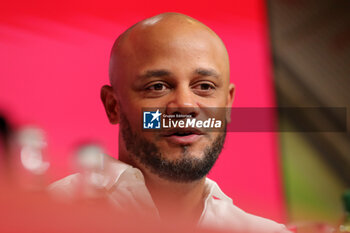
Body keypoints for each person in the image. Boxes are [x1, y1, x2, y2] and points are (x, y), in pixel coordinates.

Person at [50, 12, 291, 233]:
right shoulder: (49, 215)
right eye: (157, 87)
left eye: (204, 87)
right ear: (113, 106)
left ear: (227, 104)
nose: (185, 106)